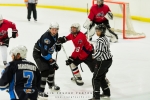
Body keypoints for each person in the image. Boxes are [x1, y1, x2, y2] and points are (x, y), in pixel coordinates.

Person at [33, 22, 61, 98]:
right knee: (45, 70)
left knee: (52, 69)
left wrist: (57, 46)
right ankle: (40, 91)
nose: (54, 31)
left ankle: (51, 85)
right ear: (50, 29)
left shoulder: (55, 35)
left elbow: (52, 45)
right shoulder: (46, 38)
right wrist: (51, 61)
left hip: (46, 54)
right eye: (53, 29)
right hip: (39, 54)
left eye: (56, 30)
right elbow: (44, 54)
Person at [89, 24, 113, 100]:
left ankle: (96, 97)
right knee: (101, 77)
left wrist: (93, 56)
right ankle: (106, 93)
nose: (97, 32)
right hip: (108, 60)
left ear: (102, 31)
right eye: (96, 30)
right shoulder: (105, 38)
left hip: (103, 61)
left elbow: (100, 52)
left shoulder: (99, 40)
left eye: (98, 31)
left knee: (95, 78)